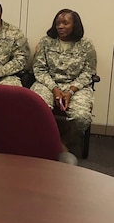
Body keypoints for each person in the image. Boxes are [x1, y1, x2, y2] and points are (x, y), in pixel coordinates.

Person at [30, 9, 97, 137]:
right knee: (36, 109)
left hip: (76, 87)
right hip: (48, 84)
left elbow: (88, 72)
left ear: (75, 25)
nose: (60, 26)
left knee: (81, 117)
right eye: (57, 23)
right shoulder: (46, 42)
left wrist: (71, 91)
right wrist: (54, 88)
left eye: (65, 23)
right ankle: (44, 139)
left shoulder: (86, 45)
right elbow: (39, 69)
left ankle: (64, 141)